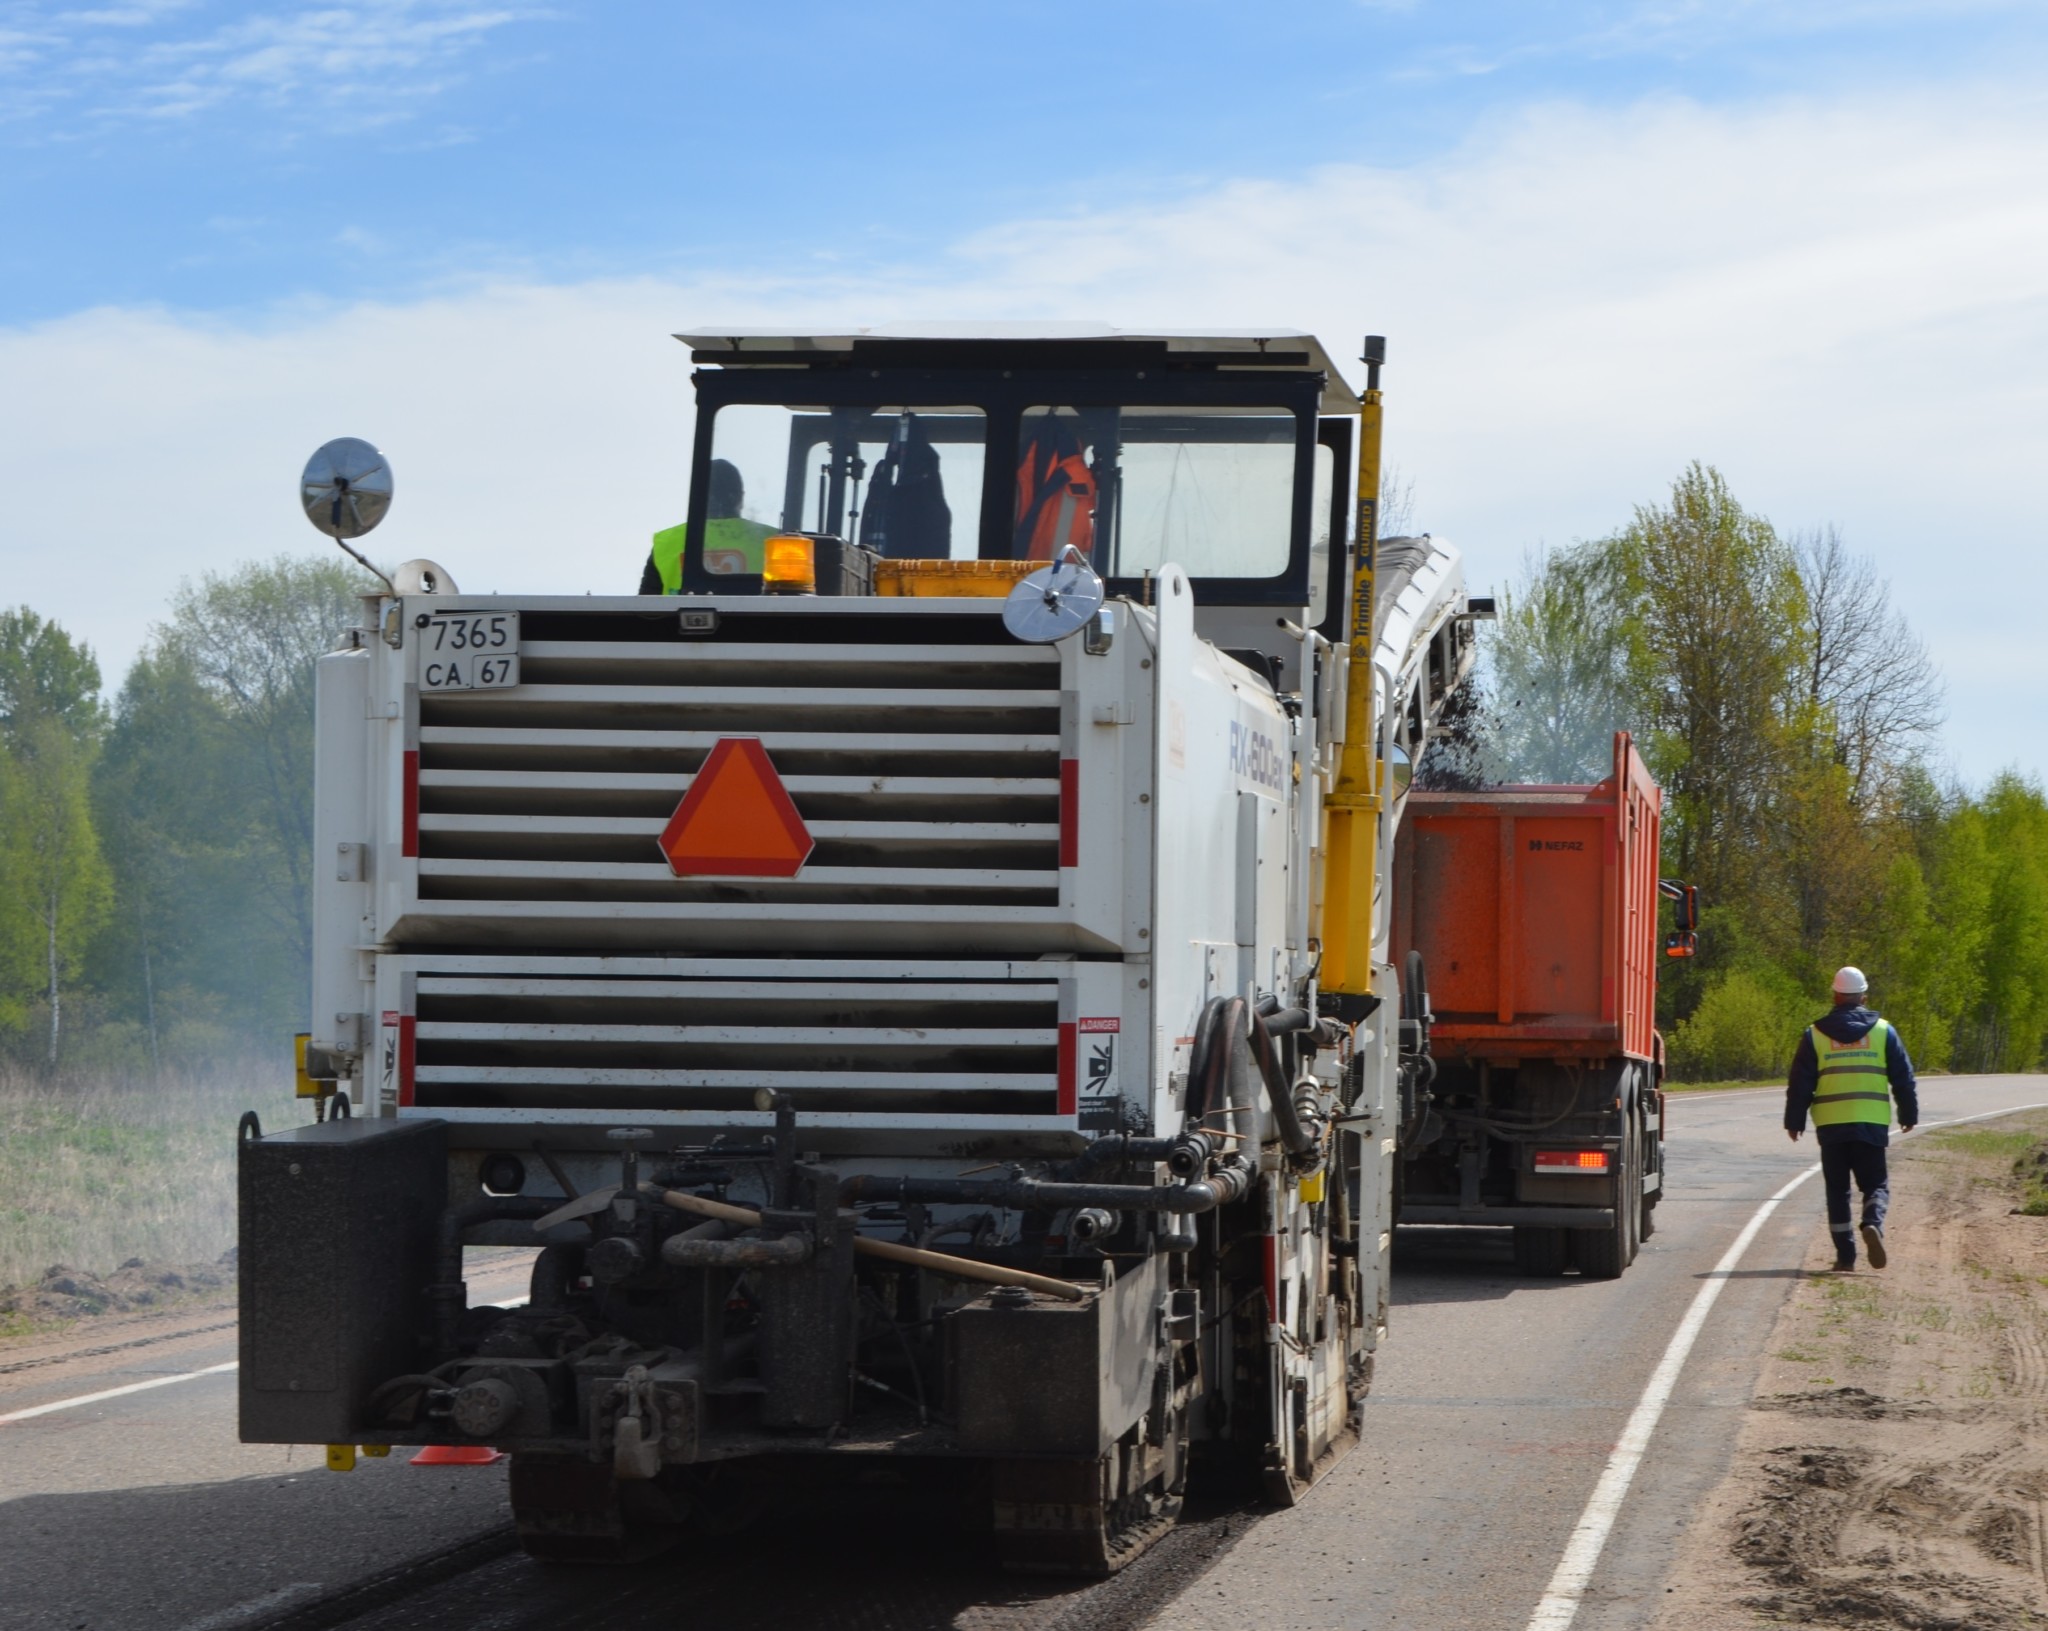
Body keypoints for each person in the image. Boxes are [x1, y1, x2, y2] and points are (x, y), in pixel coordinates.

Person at [1785, 966, 1918, 1271]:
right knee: (1875, 1184)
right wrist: (1908, 1114)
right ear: (1864, 997)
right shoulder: (1884, 1031)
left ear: (1835, 995)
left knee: (1837, 1191)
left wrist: (1794, 1121)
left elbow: (1800, 1082)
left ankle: (1845, 1257)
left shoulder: (1815, 1034)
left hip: (1831, 1126)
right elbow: (1903, 1078)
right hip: (1870, 1123)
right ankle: (1872, 1221)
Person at [640, 458, 776, 592]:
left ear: (698, 496)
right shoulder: (775, 542)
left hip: (683, 615)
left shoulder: (666, 543)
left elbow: (646, 608)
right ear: (740, 497)